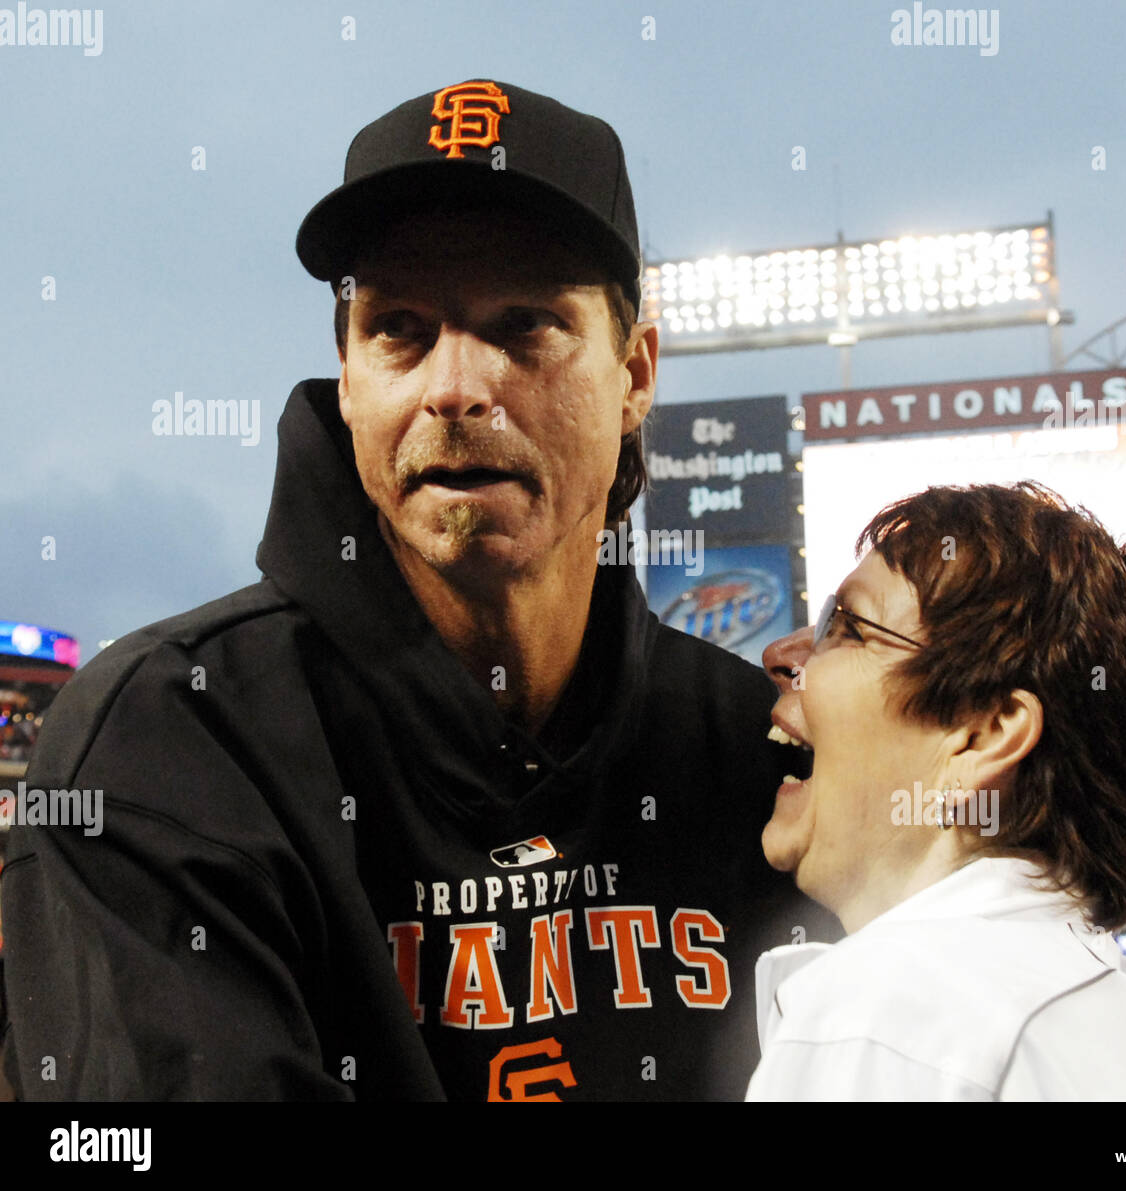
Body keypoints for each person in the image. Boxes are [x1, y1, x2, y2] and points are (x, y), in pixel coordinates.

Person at [0, 80, 835, 1102]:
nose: (454, 387)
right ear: (346, 377)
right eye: (399, 328)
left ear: (635, 373)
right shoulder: (170, 740)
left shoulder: (761, 756)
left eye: (525, 324)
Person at [746, 481, 1126, 1100]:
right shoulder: (1121, 1008)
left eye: (849, 627)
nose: (782, 654)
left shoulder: (889, 1014)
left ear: (986, 734)